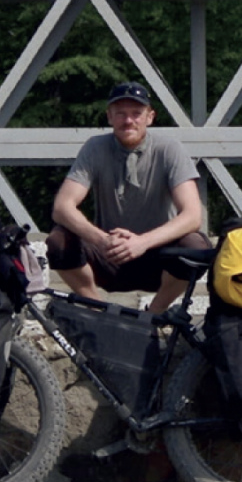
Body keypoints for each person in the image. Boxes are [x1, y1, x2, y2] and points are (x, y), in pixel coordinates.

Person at [46, 81, 210, 313]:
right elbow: (62, 207)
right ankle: (98, 310)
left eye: (136, 114)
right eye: (120, 113)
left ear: (150, 117)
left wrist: (142, 242)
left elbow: (193, 216)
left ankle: (154, 316)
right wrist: (102, 240)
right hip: (109, 254)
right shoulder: (94, 148)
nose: (128, 120)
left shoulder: (170, 149)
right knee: (58, 241)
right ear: (109, 117)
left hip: (158, 257)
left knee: (195, 245)